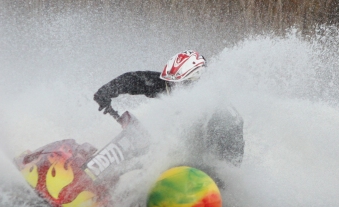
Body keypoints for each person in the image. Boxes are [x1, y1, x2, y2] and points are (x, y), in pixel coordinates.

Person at [93, 50, 244, 166]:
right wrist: (106, 91)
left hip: (213, 165)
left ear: (195, 83)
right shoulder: (168, 84)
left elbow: (229, 163)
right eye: (170, 83)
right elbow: (134, 80)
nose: (172, 88)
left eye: (179, 85)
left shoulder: (221, 112)